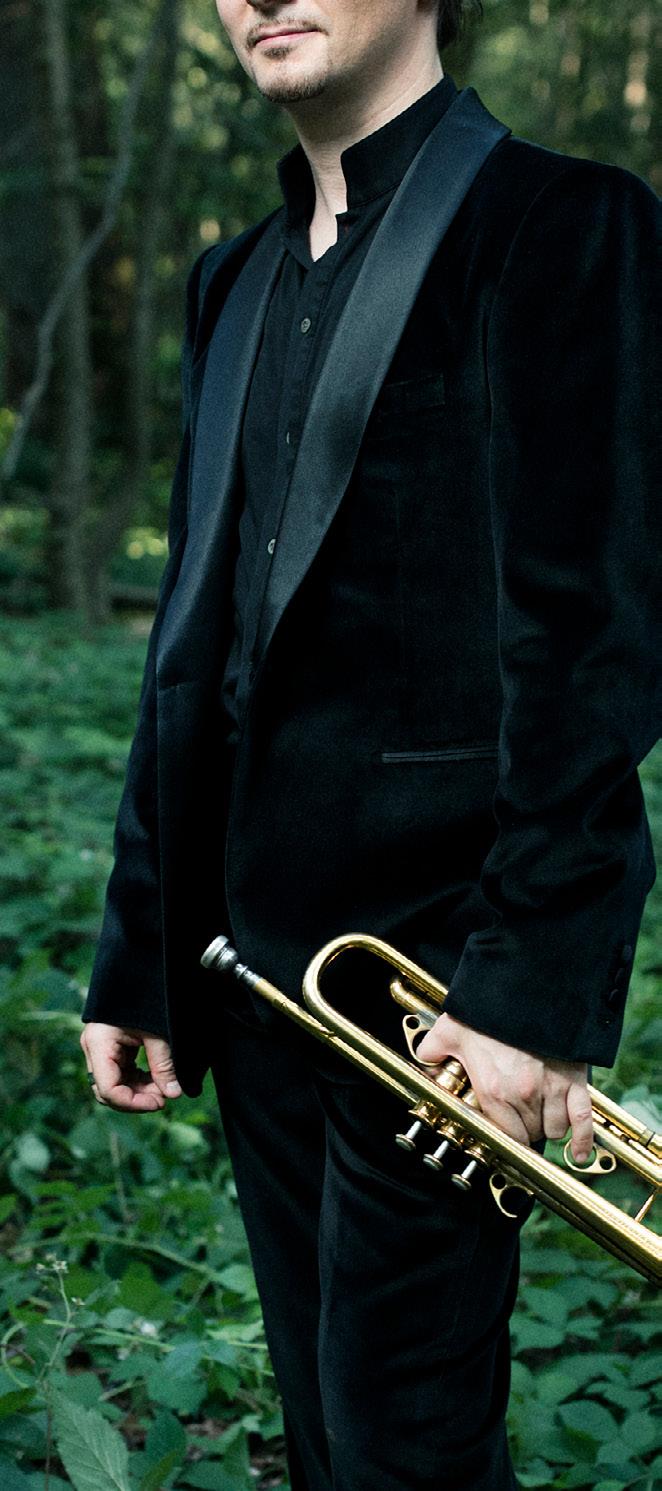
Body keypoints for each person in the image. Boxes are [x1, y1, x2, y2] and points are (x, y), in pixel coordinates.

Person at [79, 2, 660, 1486]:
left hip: (443, 994)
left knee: (410, 1453)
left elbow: (589, 639)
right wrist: (142, 950)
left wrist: (528, 985)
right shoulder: (229, 279)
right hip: (260, 971)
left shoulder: (563, 225)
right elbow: (192, 646)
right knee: (327, 1437)